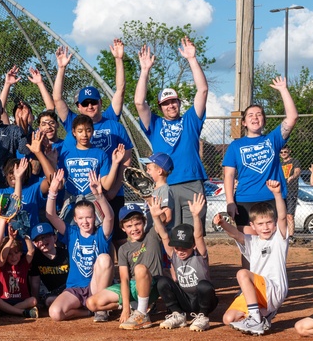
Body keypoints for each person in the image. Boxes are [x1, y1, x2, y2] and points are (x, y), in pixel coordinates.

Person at [134, 38, 209, 228]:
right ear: (160, 107)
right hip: (164, 185)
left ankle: (197, 260)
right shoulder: (155, 123)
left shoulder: (190, 120)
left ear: (179, 103)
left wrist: (192, 59)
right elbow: (139, 103)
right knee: (168, 234)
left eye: (174, 101)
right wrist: (144, 72)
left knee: (194, 234)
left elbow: (202, 90)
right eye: (166, 103)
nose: (171, 105)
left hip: (192, 182)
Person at [222, 77, 297, 229]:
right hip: (245, 199)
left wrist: (283, 90)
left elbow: (292, 117)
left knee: (273, 247)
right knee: (248, 248)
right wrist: (230, 202)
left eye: (259, 114)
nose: (255, 117)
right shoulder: (235, 146)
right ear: (243, 122)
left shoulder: (273, 139)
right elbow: (228, 175)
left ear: (263, 120)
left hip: (272, 198)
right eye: (250, 115)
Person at [216, 180, 290, 336]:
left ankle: (256, 319)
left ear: (275, 224)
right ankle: (265, 315)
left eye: (269, 222)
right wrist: (222, 223)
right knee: (228, 319)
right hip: (257, 293)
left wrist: (277, 194)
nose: (265, 227)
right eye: (261, 224)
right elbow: (236, 234)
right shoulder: (252, 241)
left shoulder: (279, 239)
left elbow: (282, 217)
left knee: (242, 273)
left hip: (274, 289)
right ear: (253, 225)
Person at [44, 169, 114, 321]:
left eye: (89, 217)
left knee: (104, 258)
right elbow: (50, 215)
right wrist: (52, 191)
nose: (85, 221)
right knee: (55, 313)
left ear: (94, 217)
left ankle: (100, 309)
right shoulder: (71, 233)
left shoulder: (101, 234)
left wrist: (99, 196)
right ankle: (88, 311)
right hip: (75, 288)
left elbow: (109, 217)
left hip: (95, 287)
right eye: (81, 218)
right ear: (75, 219)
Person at [148, 193, 217, 332]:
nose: (180, 251)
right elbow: (164, 236)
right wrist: (155, 217)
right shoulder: (174, 254)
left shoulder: (199, 255)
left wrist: (196, 216)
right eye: (177, 247)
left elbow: (197, 235)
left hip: (202, 300)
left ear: (193, 246)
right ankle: (178, 315)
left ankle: (203, 317)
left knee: (205, 286)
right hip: (185, 300)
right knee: (162, 281)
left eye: (185, 247)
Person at [86, 205, 164, 328]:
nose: (134, 229)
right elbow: (125, 279)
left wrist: (156, 216)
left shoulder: (152, 235)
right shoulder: (123, 249)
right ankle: (134, 306)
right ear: (123, 228)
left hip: (151, 284)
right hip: (132, 286)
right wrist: (126, 307)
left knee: (140, 268)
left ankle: (142, 313)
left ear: (144, 222)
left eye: (137, 224)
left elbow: (163, 221)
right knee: (91, 303)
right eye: (129, 226)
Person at [53, 42, 130, 159]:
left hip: (109, 175)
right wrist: (62, 68)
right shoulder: (73, 122)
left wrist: (119, 59)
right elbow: (57, 99)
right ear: (78, 106)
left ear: (100, 103)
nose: (90, 106)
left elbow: (120, 90)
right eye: (85, 103)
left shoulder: (110, 119)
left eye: (93, 102)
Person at [0, 227, 39, 318]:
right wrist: (11, 239)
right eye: (10, 254)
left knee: (33, 300)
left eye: (16, 253)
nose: (13, 257)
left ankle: (6, 311)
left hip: (21, 300)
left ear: (21, 253)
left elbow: (31, 251)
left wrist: (25, 235)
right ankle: (21, 312)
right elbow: (2, 256)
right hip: (5, 299)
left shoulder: (23, 263)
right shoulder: (2, 265)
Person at [28, 222, 70, 309]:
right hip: (53, 294)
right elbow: (35, 282)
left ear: (54, 238)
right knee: (49, 301)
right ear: (34, 244)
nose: (42, 241)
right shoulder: (36, 258)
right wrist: (36, 301)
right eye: (38, 239)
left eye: (46, 237)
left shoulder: (66, 254)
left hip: (69, 290)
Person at [142, 152, 173, 224]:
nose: (147, 171)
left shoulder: (165, 190)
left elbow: (167, 217)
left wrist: (158, 230)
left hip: (158, 231)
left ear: (159, 171)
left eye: (149, 169)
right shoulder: (151, 188)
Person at [279, 146, 301, 238]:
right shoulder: (279, 164)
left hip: (291, 191)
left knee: (290, 215)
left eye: (285, 152)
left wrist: (292, 177)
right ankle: (282, 235)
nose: (283, 154)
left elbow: (297, 171)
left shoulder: (295, 161)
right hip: (281, 191)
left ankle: (291, 236)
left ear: (289, 151)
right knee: (281, 215)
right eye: (281, 152)